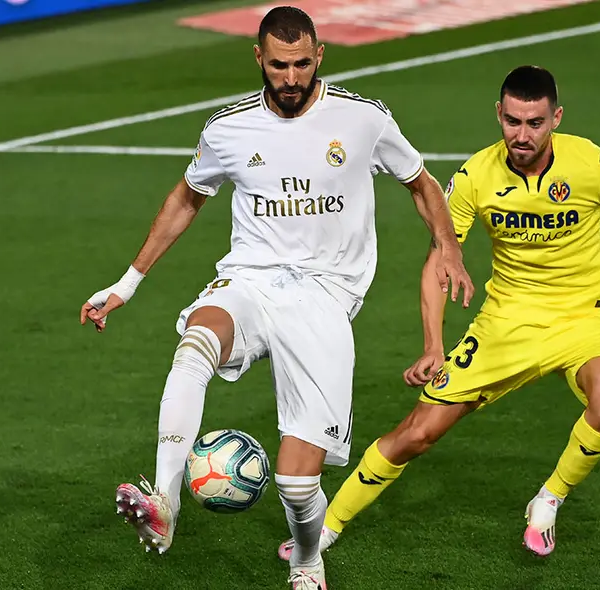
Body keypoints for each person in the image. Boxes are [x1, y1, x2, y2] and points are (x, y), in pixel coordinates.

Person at [278, 64, 600, 561]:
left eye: (536, 123)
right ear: (498, 114)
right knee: (418, 433)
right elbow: (439, 255)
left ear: (556, 118)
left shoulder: (593, 164)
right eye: (513, 121)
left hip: (583, 318)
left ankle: (548, 500)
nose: (522, 135)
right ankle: (325, 526)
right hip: (506, 324)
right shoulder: (476, 175)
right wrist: (433, 344)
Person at [78, 6, 473, 588]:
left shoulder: (363, 119)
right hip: (252, 277)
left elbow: (420, 182)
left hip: (325, 295)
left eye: (302, 64)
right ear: (258, 59)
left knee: (295, 481)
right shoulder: (228, 128)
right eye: (279, 65)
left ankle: (309, 559)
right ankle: (165, 501)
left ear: (320, 57)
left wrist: (448, 246)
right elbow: (188, 198)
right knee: (195, 345)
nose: (291, 78)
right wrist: (127, 282)